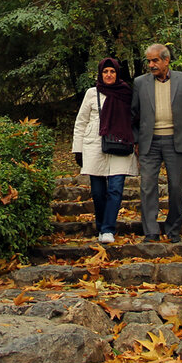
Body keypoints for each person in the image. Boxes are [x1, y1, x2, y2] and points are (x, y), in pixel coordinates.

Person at [131, 43, 182, 243]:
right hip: (150, 143)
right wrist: (136, 139)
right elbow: (133, 115)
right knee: (147, 186)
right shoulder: (140, 83)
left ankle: (173, 229)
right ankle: (150, 231)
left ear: (166, 60)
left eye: (155, 60)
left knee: (176, 187)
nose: (151, 65)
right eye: (148, 61)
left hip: (177, 141)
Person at [72, 57, 138, 244]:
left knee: (116, 189)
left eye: (112, 72)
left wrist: (136, 141)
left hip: (120, 145)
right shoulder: (92, 93)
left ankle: (108, 229)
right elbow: (81, 122)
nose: (109, 75)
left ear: (118, 73)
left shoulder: (126, 93)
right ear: (101, 74)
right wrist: (78, 150)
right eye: (105, 72)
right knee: (98, 192)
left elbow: (135, 119)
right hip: (95, 146)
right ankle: (101, 225)